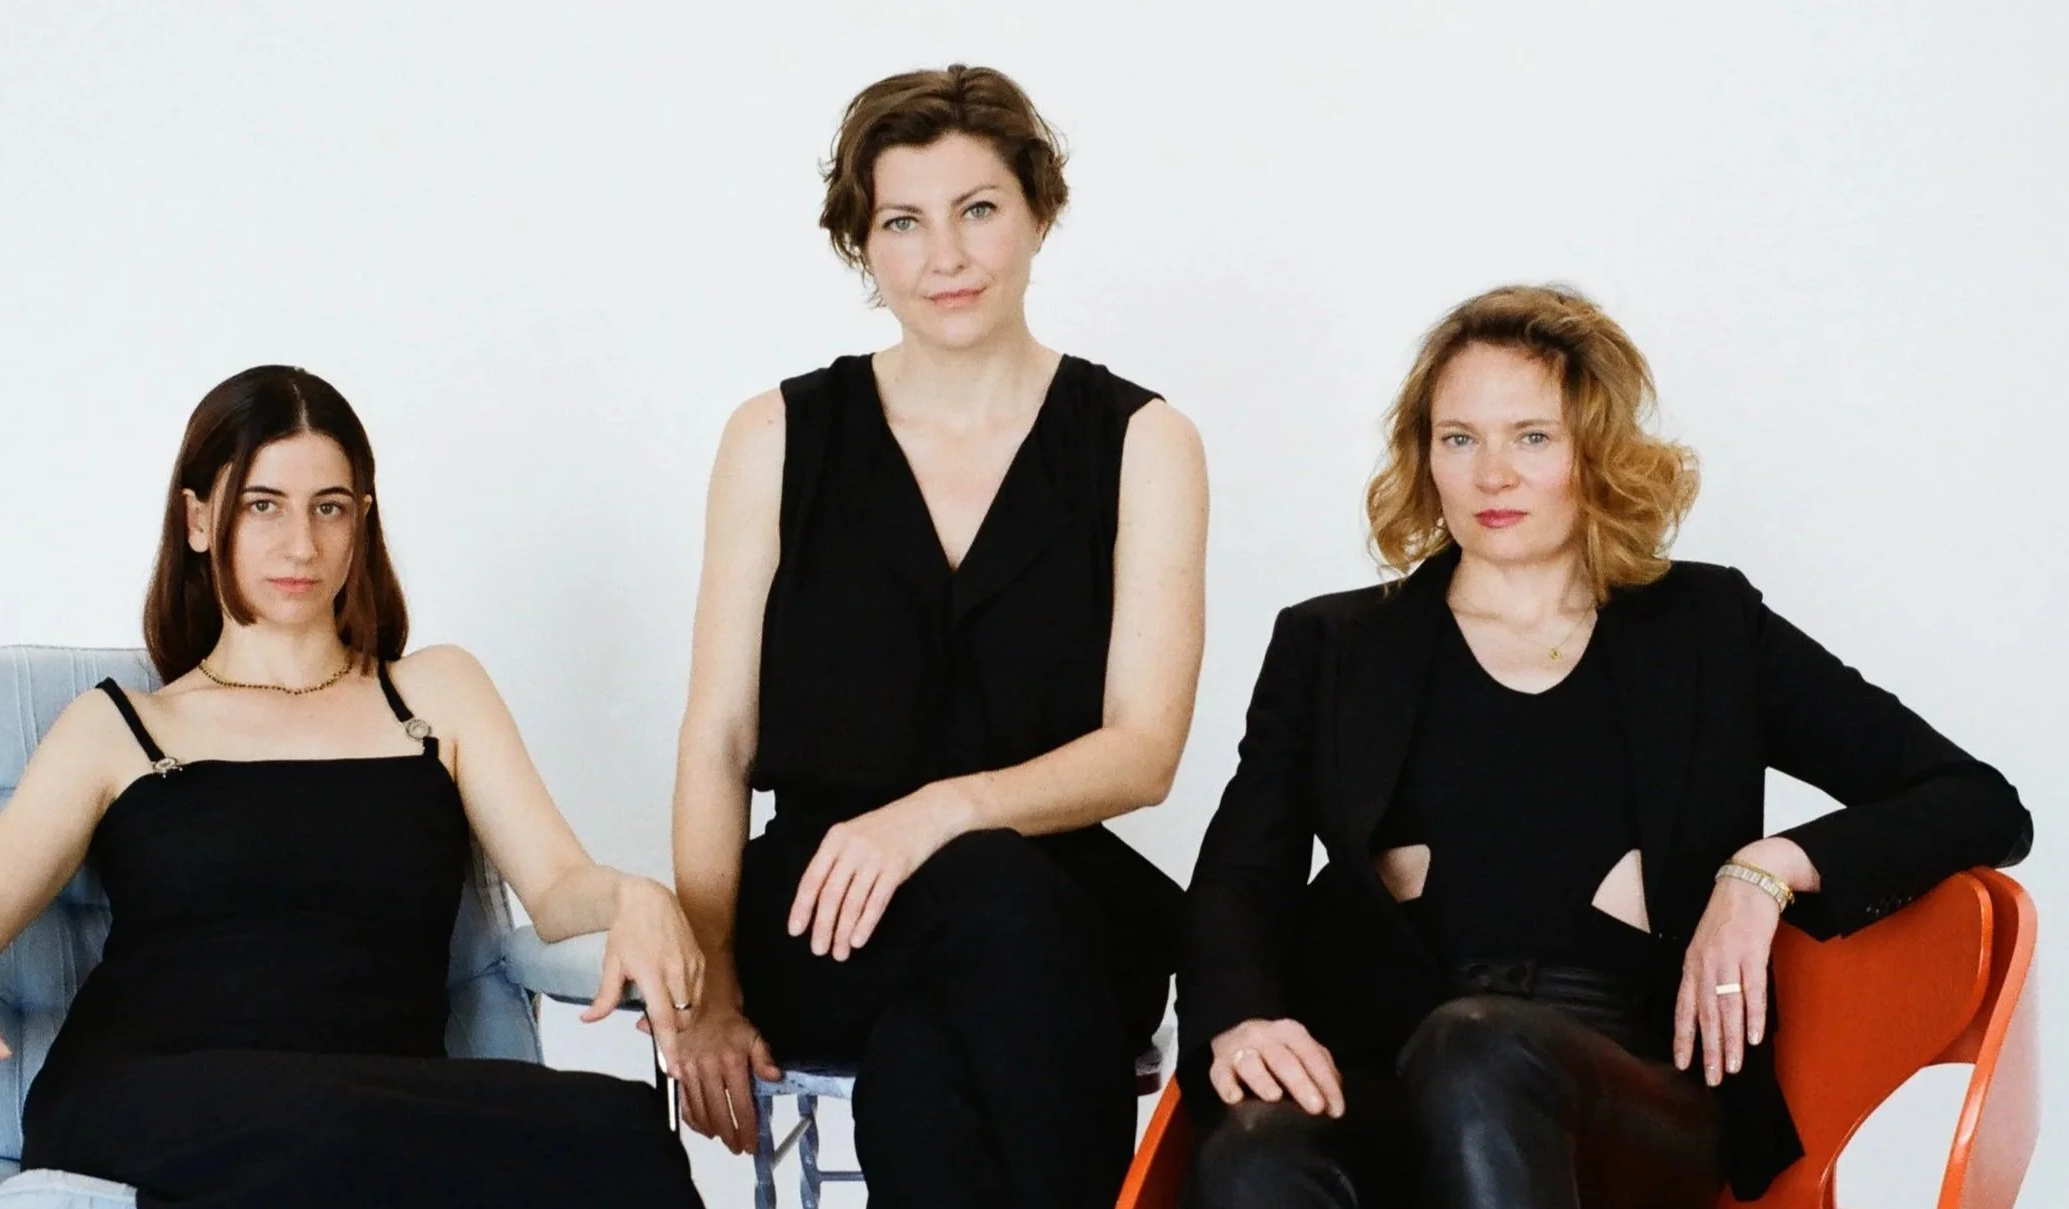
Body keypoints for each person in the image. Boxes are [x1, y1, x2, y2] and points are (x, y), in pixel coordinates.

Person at [1177, 285, 2032, 1209]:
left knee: (1478, 1045)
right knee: (1251, 1152)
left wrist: (1767, 869)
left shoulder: (1708, 628)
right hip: (1385, 1051)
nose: (1491, 474)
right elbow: (1241, 870)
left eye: (1532, 437)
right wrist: (1239, 1018)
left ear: (1596, 450)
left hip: (1628, 1080)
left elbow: (1976, 797)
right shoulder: (1336, 644)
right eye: (1459, 438)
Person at [0, 366, 706, 1208]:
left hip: (376, 1096)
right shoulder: (118, 725)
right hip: (153, 1089)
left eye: (328, 507)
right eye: (263, 504)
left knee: (620, 1125)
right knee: (326, 1133)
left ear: (361, 522)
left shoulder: (436, 695)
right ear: (198, 520)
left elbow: (558, 889)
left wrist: (635, 896)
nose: (301, 544)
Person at [667, 64, 1208, 1208]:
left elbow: (1144, 749)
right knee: (1000, 933)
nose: (944, 256)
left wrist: (938, 813)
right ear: (862, 243)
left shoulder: (1142, 442)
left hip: (1053, 894)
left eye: (977, 211)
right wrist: (709, 977)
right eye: (902, 222)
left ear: (1037, 214)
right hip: (821, 911)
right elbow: (719, 736)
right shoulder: (774, 435)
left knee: (927, 1062)